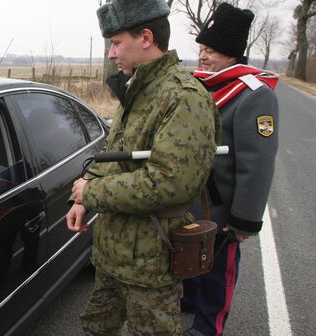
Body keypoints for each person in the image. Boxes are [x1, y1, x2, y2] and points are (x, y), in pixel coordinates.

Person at [65, 0, 221, 335]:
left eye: (117, 43)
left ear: (146, 37)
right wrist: (81, 200)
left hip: (150, 265)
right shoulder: (137, 88)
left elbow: (169, 183)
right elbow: (113, 154)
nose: (111, 53)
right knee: (96, 328)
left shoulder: (184, 97)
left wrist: (91, 192)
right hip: (111, 257)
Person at [181, 3, 279, 336]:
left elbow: (258, 163)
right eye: (201, 49)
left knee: (217, 274)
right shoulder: (198, 86)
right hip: (191, 204)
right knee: (192, 265)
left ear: (231, 53)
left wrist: (244, 220)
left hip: (223, 211)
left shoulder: (255, 96)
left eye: (210, 50)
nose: (202, 56)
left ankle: (209, 327)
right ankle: (191, 305)